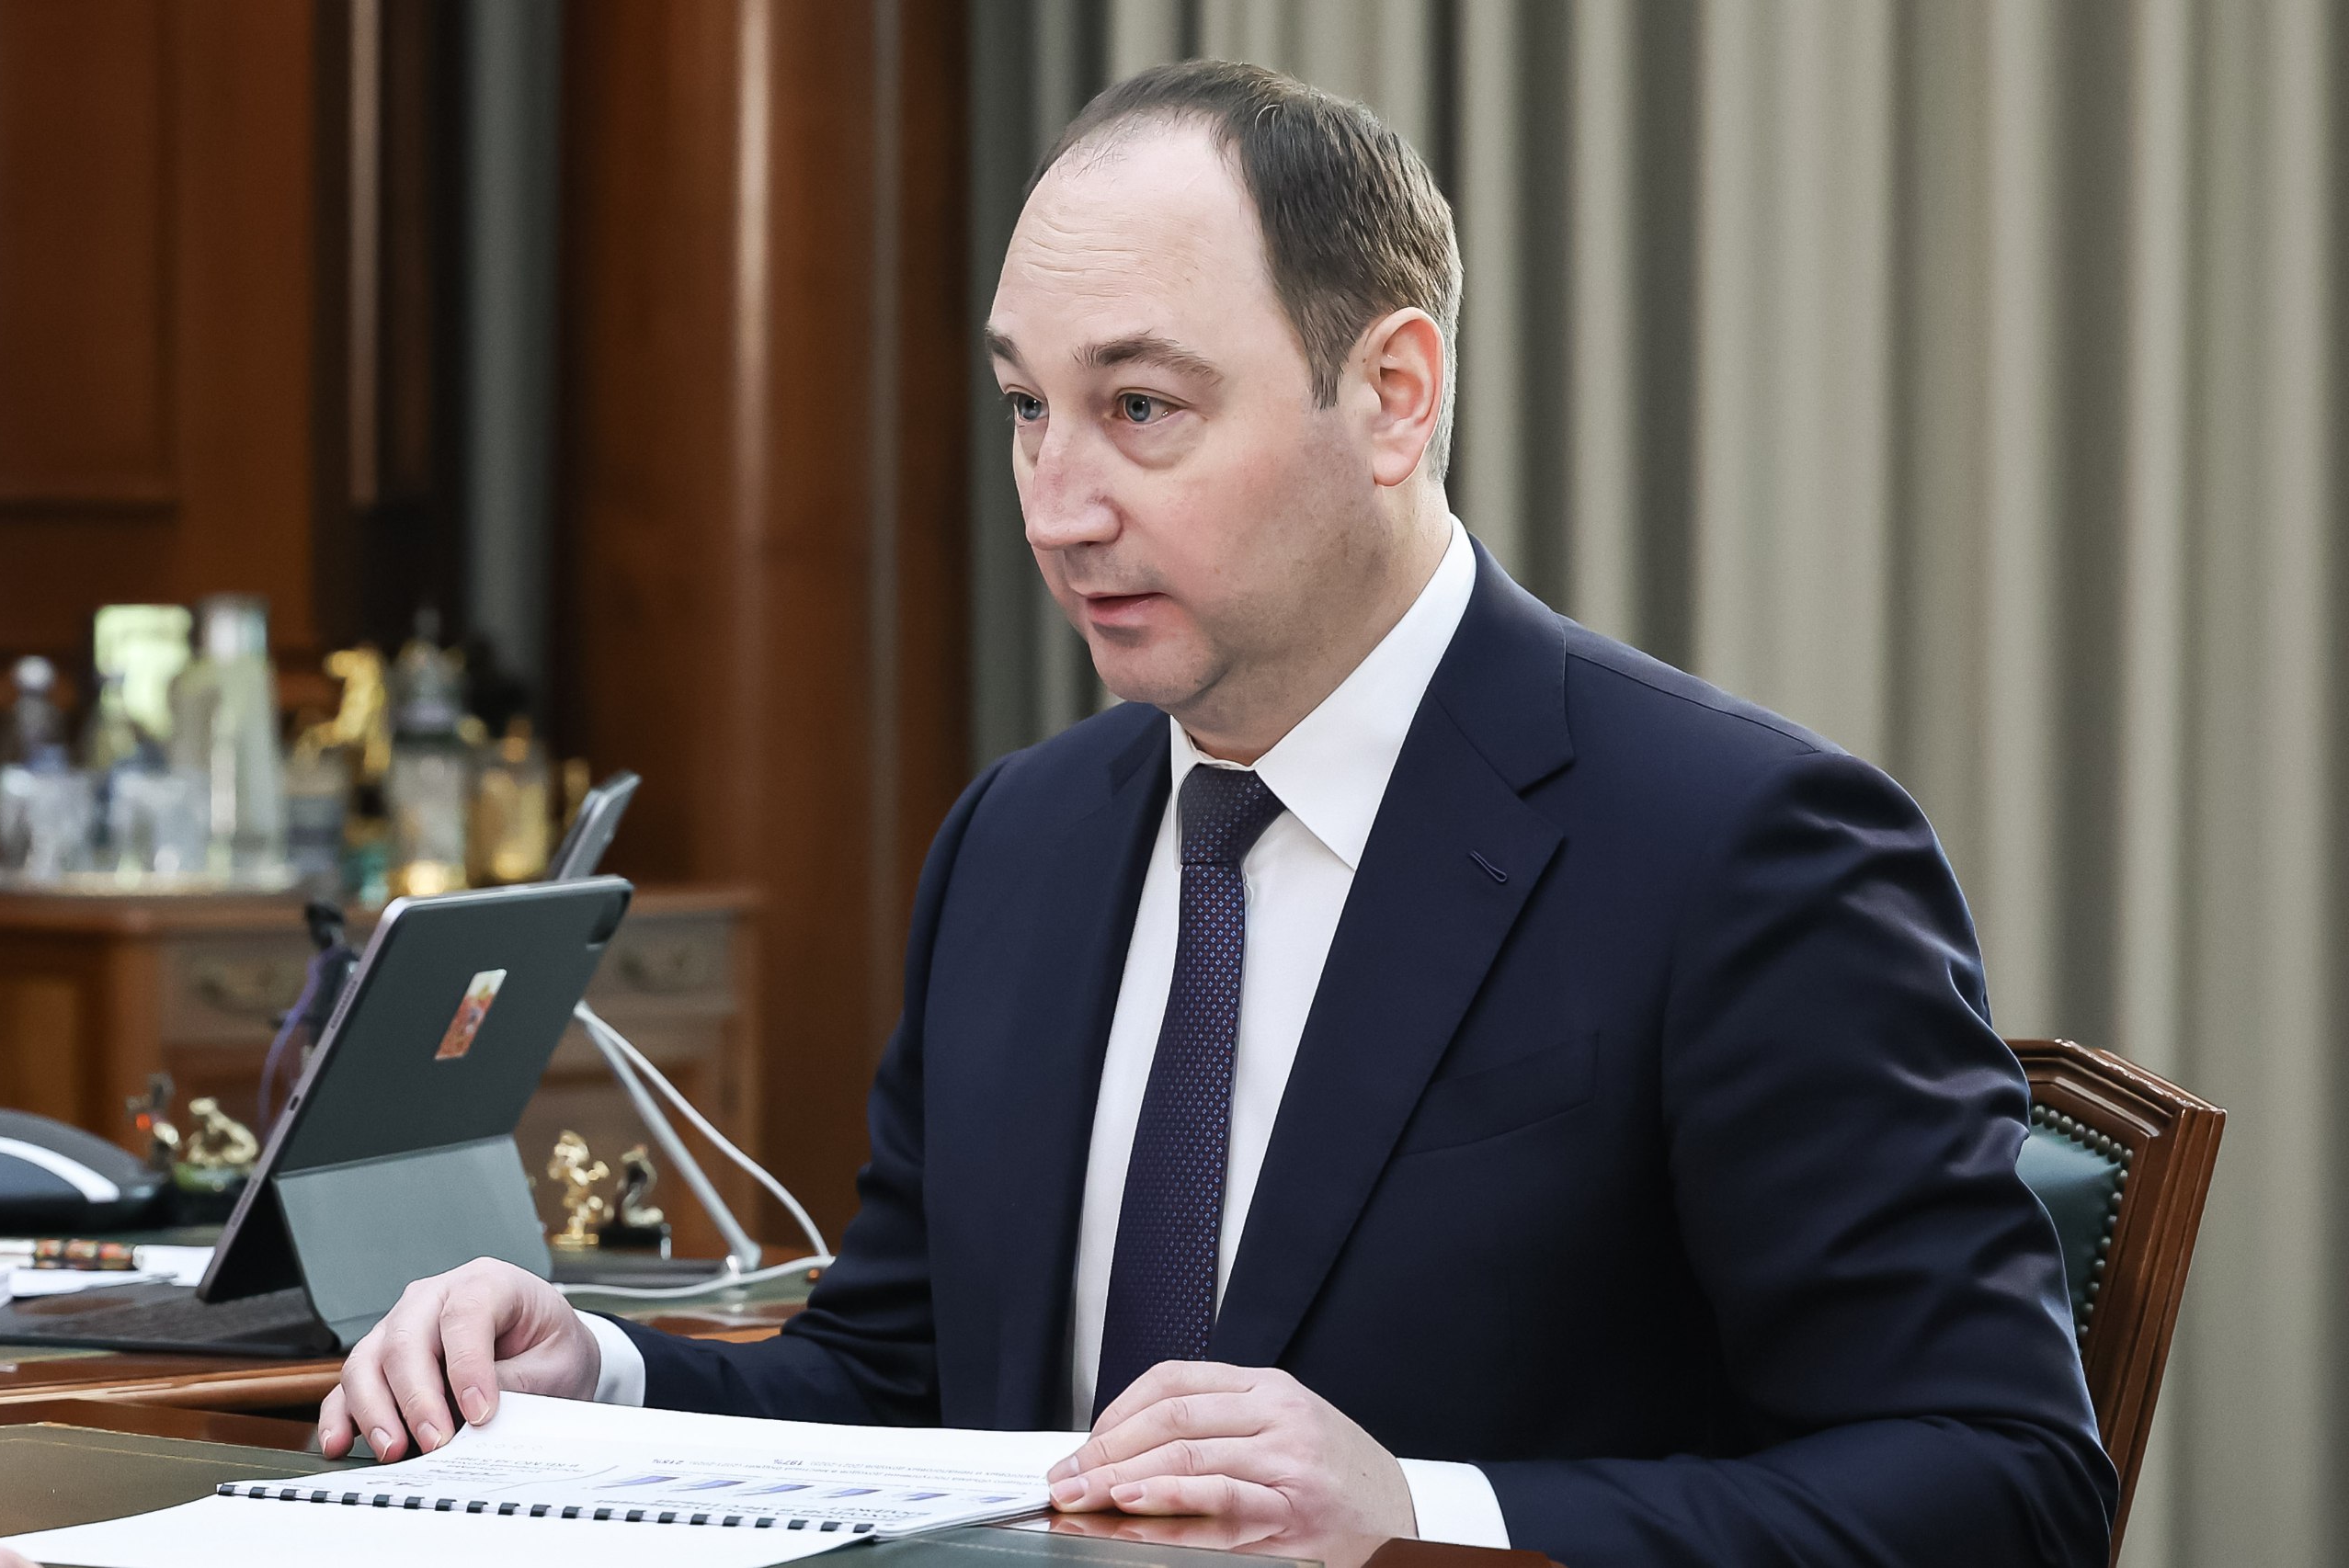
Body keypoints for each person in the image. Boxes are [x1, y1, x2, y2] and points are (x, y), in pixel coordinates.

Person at [321, 62, 2115, 1566]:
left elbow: (2004, 1486)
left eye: (1140, 408)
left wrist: (1415, 1513)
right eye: (1027, 409)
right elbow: (897, 1391)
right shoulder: (1017, 844)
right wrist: (599, 1378)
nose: (1058, 504)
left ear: (1392, 398)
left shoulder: (1745, 848)